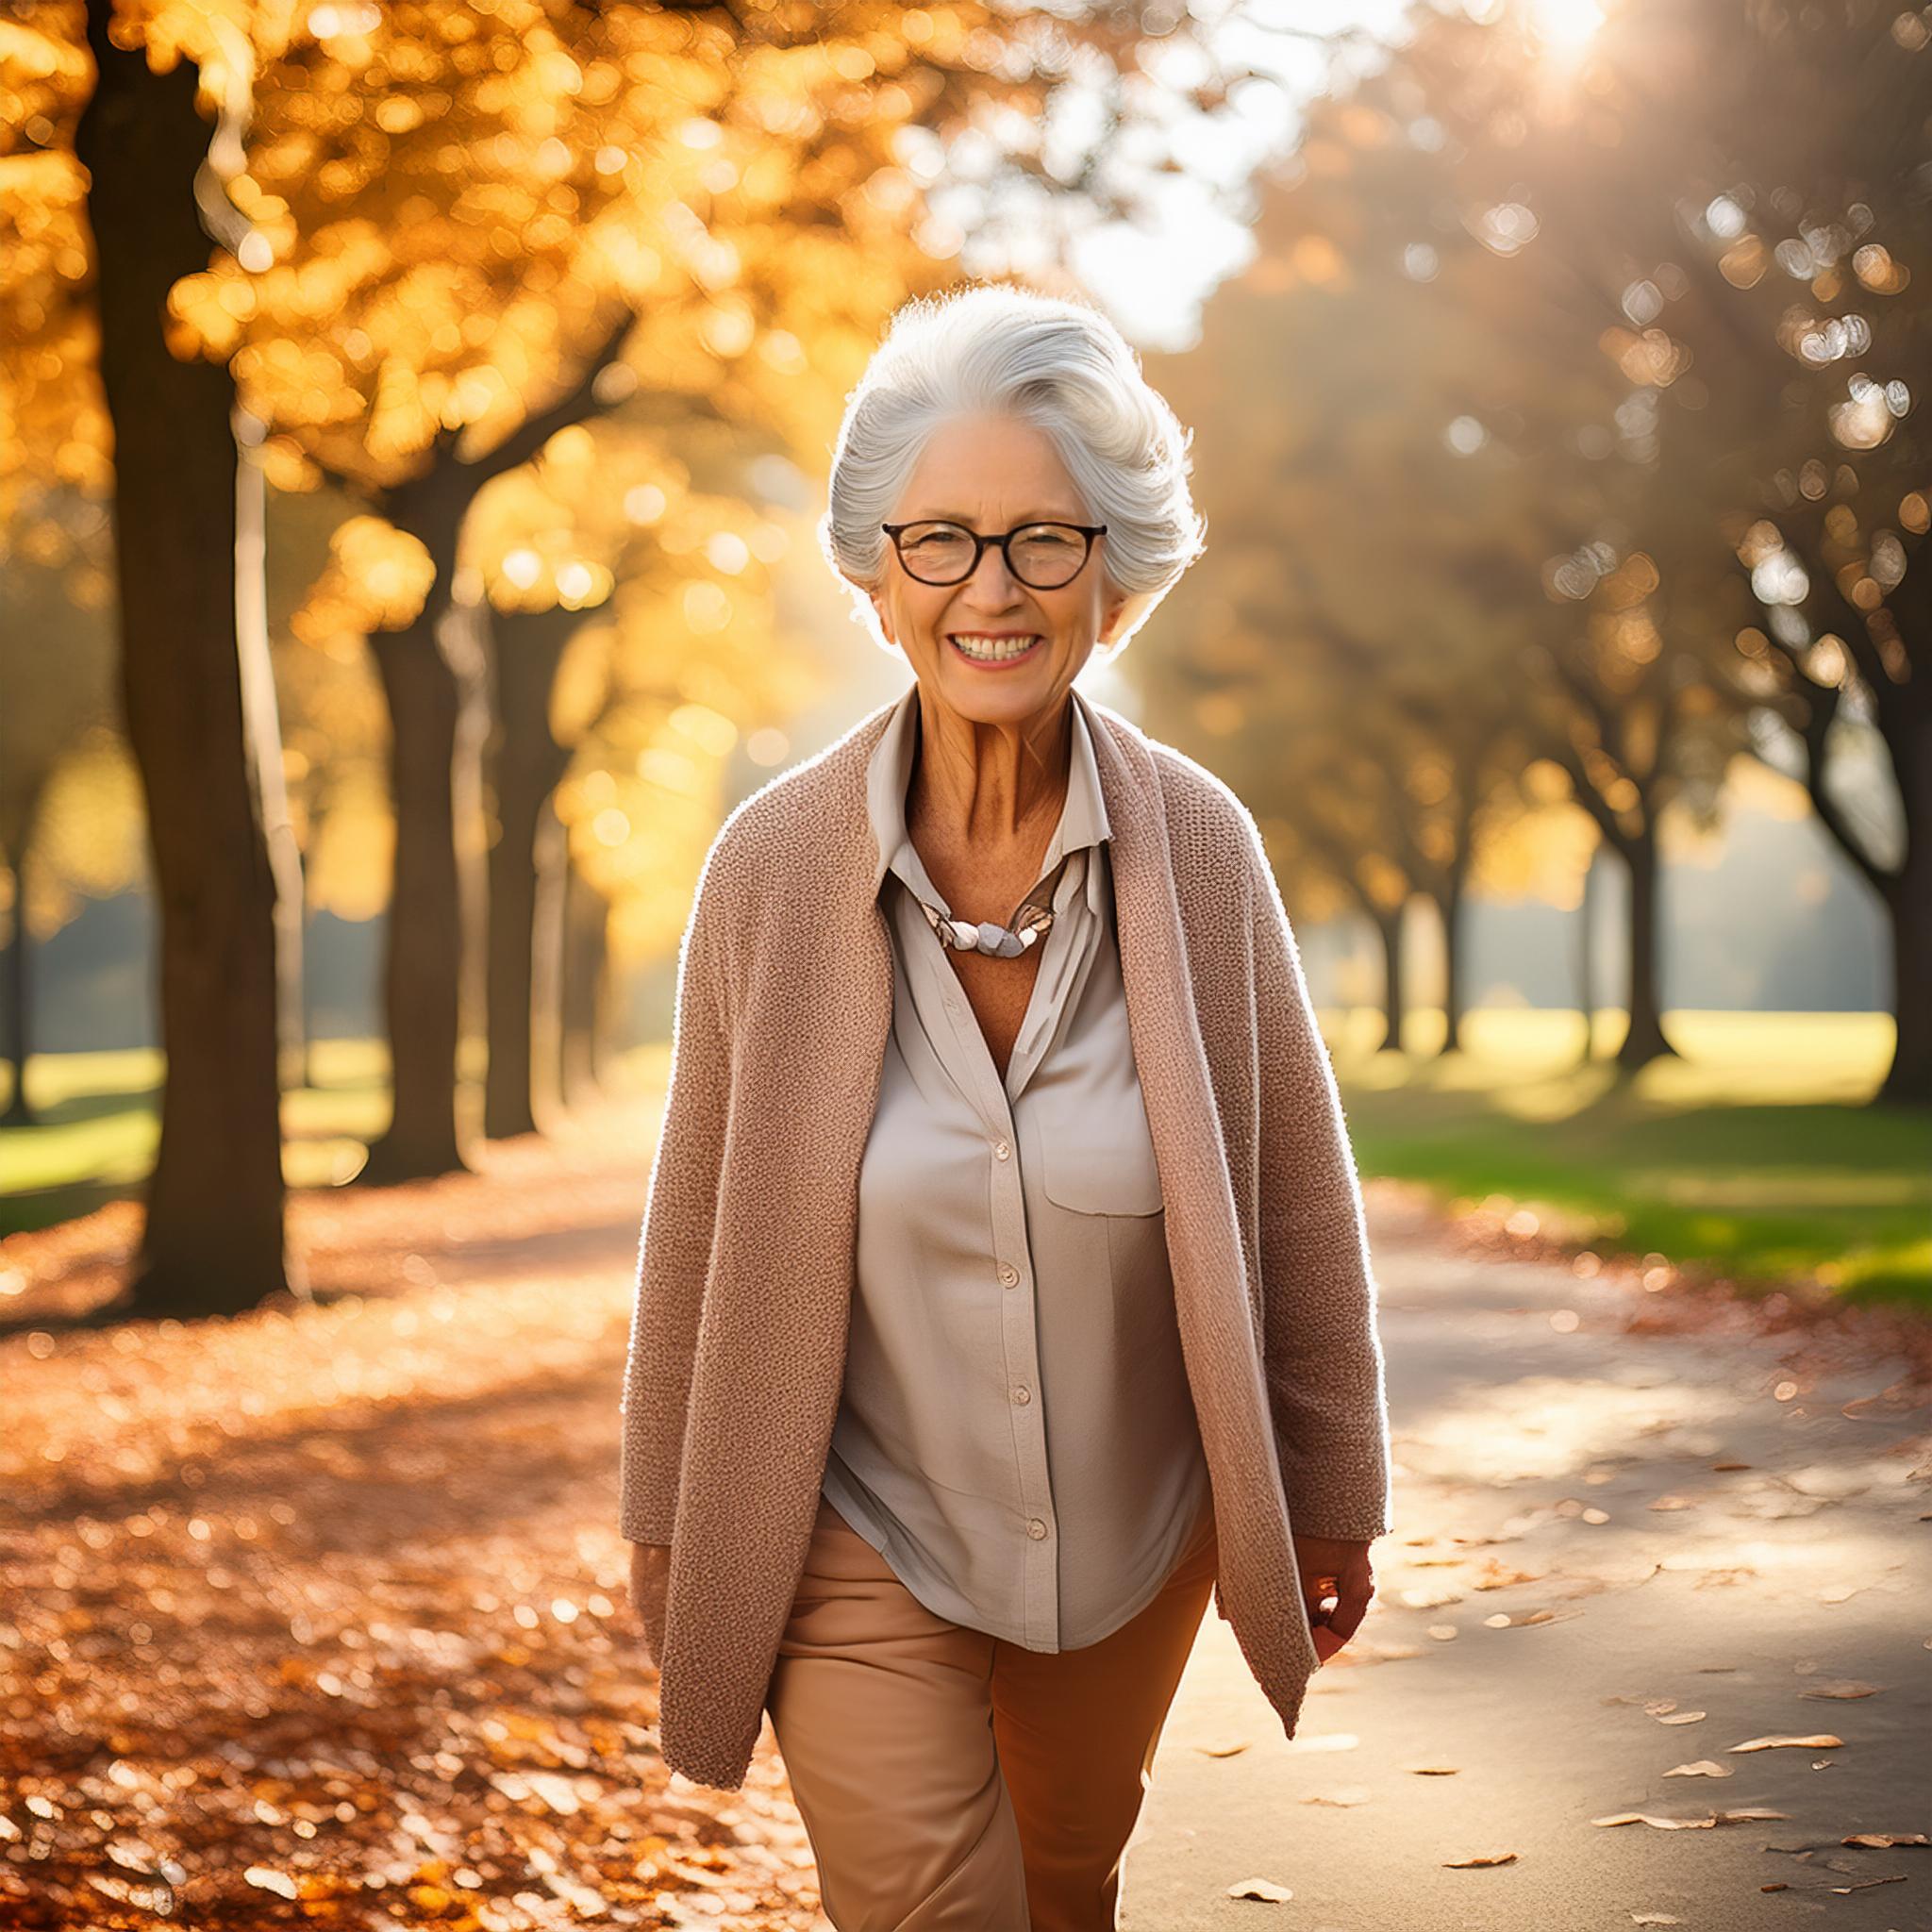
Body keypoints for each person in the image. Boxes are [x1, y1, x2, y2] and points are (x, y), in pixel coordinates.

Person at [621, 282, 1393, 1930]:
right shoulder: (769, 870)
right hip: (858, 1529)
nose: (994, 588)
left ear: (1112, 582)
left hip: (1134, 1541)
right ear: (876, 576)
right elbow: (695, 1222)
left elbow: (1296, 1200)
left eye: (1047, 540)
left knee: (1061, 1887)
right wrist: (666, 1514)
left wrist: (1335, 1487)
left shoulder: (1203, 853)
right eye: (945, 539)